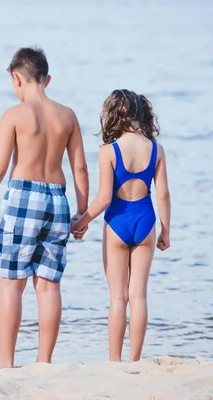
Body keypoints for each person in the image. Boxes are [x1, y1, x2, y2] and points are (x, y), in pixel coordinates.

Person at [0, 47, 89, 368]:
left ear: (17, 78)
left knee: (12, 283)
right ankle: (43, 361)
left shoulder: (13, 115)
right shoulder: (67, 116)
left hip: (22, 197)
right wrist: (83, 213)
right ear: (47, 79)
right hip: (57, 199)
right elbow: (80, 170)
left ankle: (7, 363)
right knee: (48, 285)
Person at [71, 89, 171, 362]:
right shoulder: (156, 149)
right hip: (146, 220)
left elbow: (104, 198)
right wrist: (165, 230)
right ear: (141, 113)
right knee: (138, 296)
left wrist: (80, 221)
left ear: (114, 114)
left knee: (118, 298)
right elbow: (162, 194)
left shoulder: (109, 151)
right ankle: (135, 360)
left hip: (117, 222)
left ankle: (114, 362)